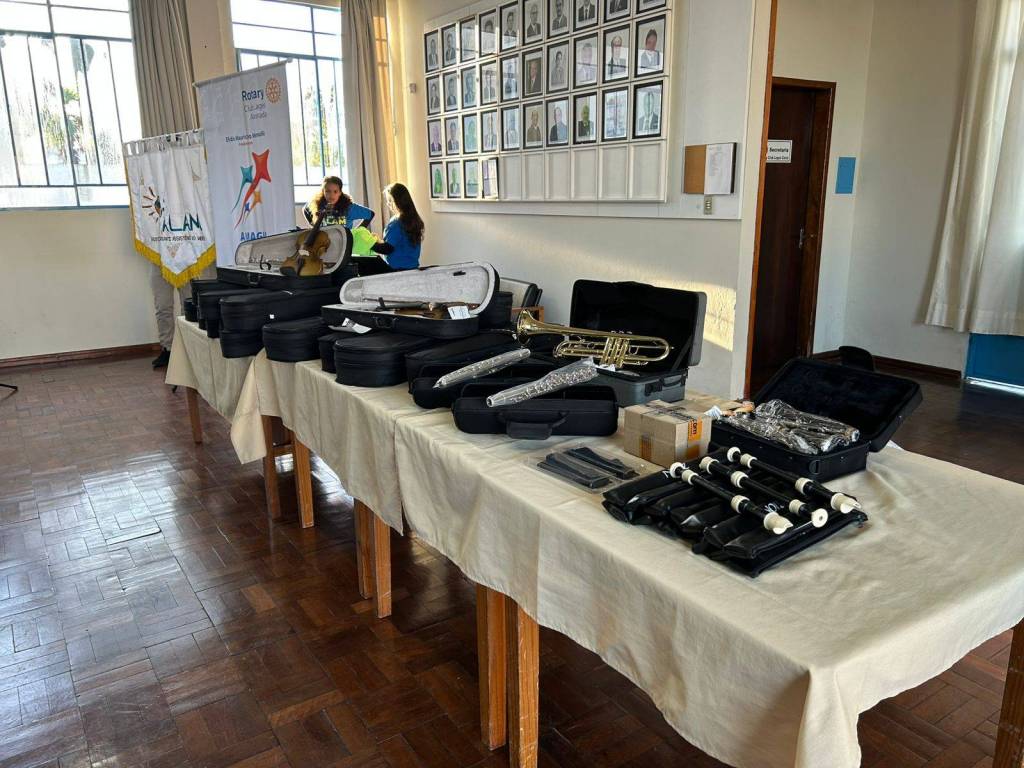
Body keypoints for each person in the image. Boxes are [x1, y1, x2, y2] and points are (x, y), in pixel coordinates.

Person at [374, 183, 423, 269]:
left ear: (396, 202)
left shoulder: (396, 223)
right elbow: (400, 245)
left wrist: (371, 244)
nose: (388, 204)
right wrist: (379, 242)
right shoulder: (414, 219)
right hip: (413, 268)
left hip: (398, 270)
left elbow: (387, 249)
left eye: (390, 201)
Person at [303, 176, 374, 228]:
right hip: (324, 241)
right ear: (323, 192)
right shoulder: (317, 204)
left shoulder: (349, 208)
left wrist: (357, 231)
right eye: (328, 191)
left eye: (335, 191)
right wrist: (313, 225)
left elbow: (371, 214)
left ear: (340, 192)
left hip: (344, 241)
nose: (331, 195)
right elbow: (305, 209)